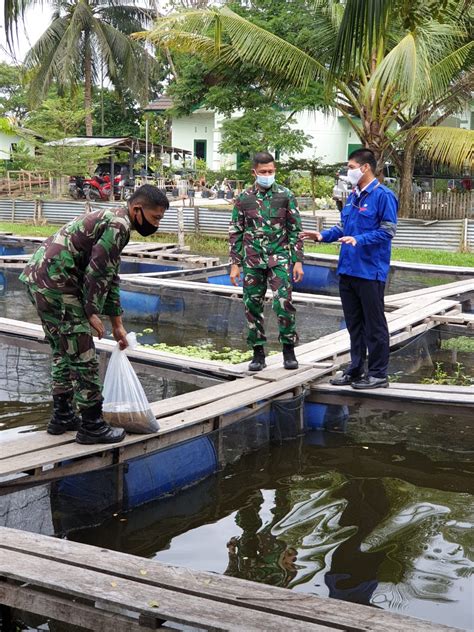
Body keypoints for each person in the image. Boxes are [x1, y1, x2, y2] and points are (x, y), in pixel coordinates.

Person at [20, 185, 169, 443]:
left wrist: (118, 325)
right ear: (137, 210)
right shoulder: (119, 226)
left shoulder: (114, 218)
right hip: (57, 285)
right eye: (155, 218)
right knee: (84, 353)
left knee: (64, 350)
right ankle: (92, 425)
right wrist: (91, 312)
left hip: (40, 281)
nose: (157, 224)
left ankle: (63, 416)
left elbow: (110, 276)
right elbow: (97, 272)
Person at [301, 148, 398, 389]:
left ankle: (378, 374)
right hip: (347, 270)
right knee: (354, 324)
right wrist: (322, 236)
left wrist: (360, 239)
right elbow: (344, 227)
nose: (348, 172)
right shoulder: (353, 196)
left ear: (365, 168)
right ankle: (356, 369)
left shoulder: (382, 196)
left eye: (351, 167)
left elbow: (388, 231)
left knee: (374, 324)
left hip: (369, 271)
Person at [229, 151, 304, 371]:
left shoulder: (285, 195)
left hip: (278, 258)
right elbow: (236, 232)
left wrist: (297, 260)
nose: (268, 175)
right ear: (254, 172)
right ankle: (258, 353)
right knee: (251, 306)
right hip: (252, 261)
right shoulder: (243, 198)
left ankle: (289, 350)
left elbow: (295, 230)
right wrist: (235, 264)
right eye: (263, 172)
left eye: (271, 171)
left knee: (283, 303)